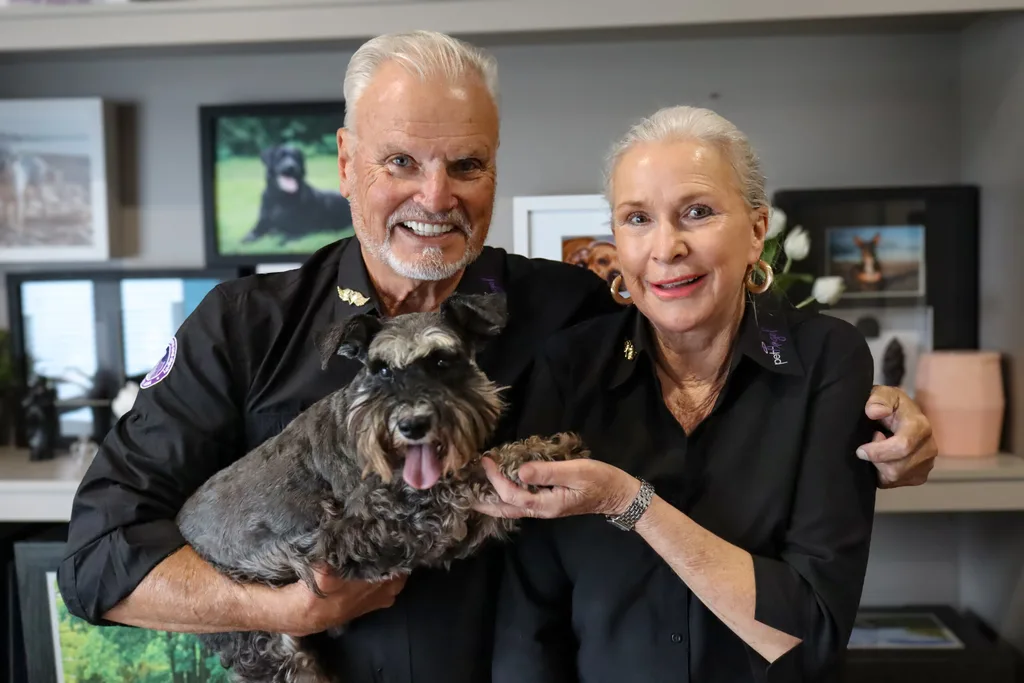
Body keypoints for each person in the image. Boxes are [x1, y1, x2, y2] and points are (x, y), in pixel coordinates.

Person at [57, 31, 937, 683]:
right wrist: (284, 608)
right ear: (347, 162)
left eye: (466, 164)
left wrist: (875, 419)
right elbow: (98, 561)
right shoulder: (244, 324)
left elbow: (708, 347)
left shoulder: (567, 309)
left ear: (495, 167)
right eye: (401, 160)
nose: (434, 197)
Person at [477, 105, 886, 683]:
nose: (665, 248)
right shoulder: (570, 366)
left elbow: (808, 635)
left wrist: (629, 502)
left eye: (697, 213)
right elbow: (530, 616)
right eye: (637, 219)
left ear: (756, 230)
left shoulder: (827, 360)